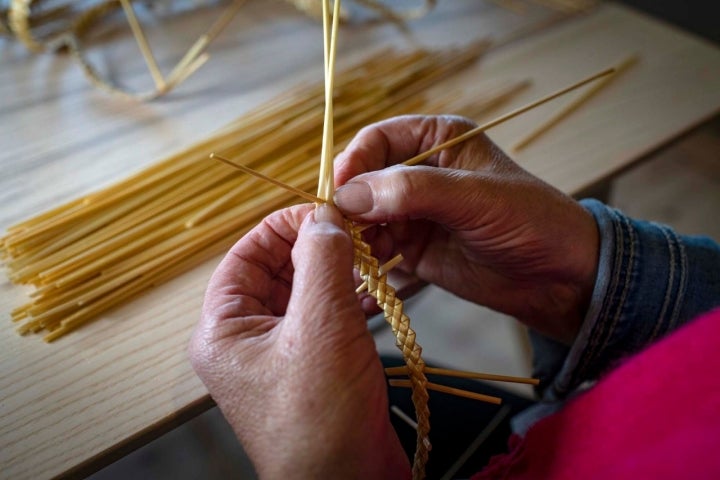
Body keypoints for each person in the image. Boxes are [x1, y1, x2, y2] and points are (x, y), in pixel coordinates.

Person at [189, 115, 720, 479]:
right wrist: (579, 281)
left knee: (382, 385)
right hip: (613, 416)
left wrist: (323, 468)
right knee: (385, 384)